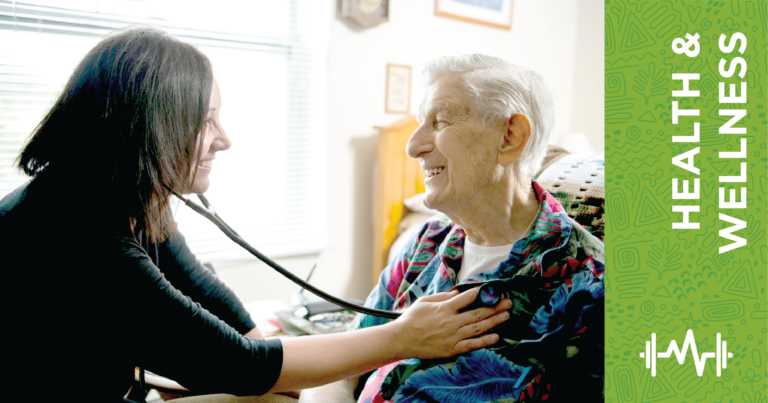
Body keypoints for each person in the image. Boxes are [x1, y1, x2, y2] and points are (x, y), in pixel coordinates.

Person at [0, 29, 513, 402]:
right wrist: (401, 336)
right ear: (147, 126)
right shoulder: (77, 233)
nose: (224, 140)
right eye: (206, 121)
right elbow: (241, 366)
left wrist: (269, 367)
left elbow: (208, 296)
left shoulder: (127, 199)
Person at [300, 55, 605, 403]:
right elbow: (342, 364)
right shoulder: (425, 242)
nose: (413, 146)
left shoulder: (591, 288)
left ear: (510, 137)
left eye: (440, 121)